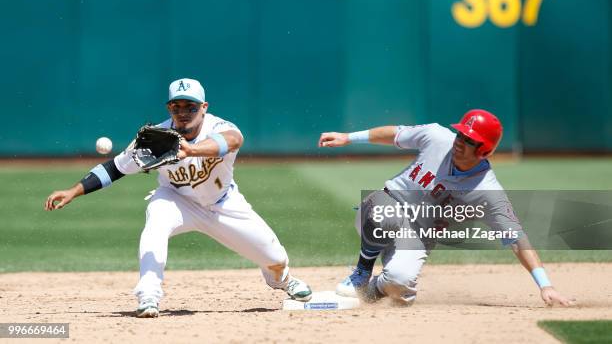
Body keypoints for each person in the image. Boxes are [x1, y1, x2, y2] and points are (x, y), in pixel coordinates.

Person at [45, 78, 312, 318]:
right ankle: (148, 294)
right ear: (169, 108)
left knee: (275, 258)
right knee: (156, 222)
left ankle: (282, 279)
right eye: (177, 107)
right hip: (176, 200)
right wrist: (73, 190)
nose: (183, 113)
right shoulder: (156, 138)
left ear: (204, 107)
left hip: (224, 204)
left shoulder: (219, 126)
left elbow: (232, 141)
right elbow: (116, 167)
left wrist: (192, 151)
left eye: (191, 107)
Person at [318, 109, 573, 307]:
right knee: (385, 216)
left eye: (469, 139)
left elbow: (516, 238)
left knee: (399, 284)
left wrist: (545, 285)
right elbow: (395, 134)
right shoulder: (437, 136)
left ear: (484, 151)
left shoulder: (488, 192)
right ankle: (362, 270)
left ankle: (369, 292)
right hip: (386, 204)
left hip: (418, 235)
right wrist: (348, 138)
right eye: (461, 134)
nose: (460, 141)